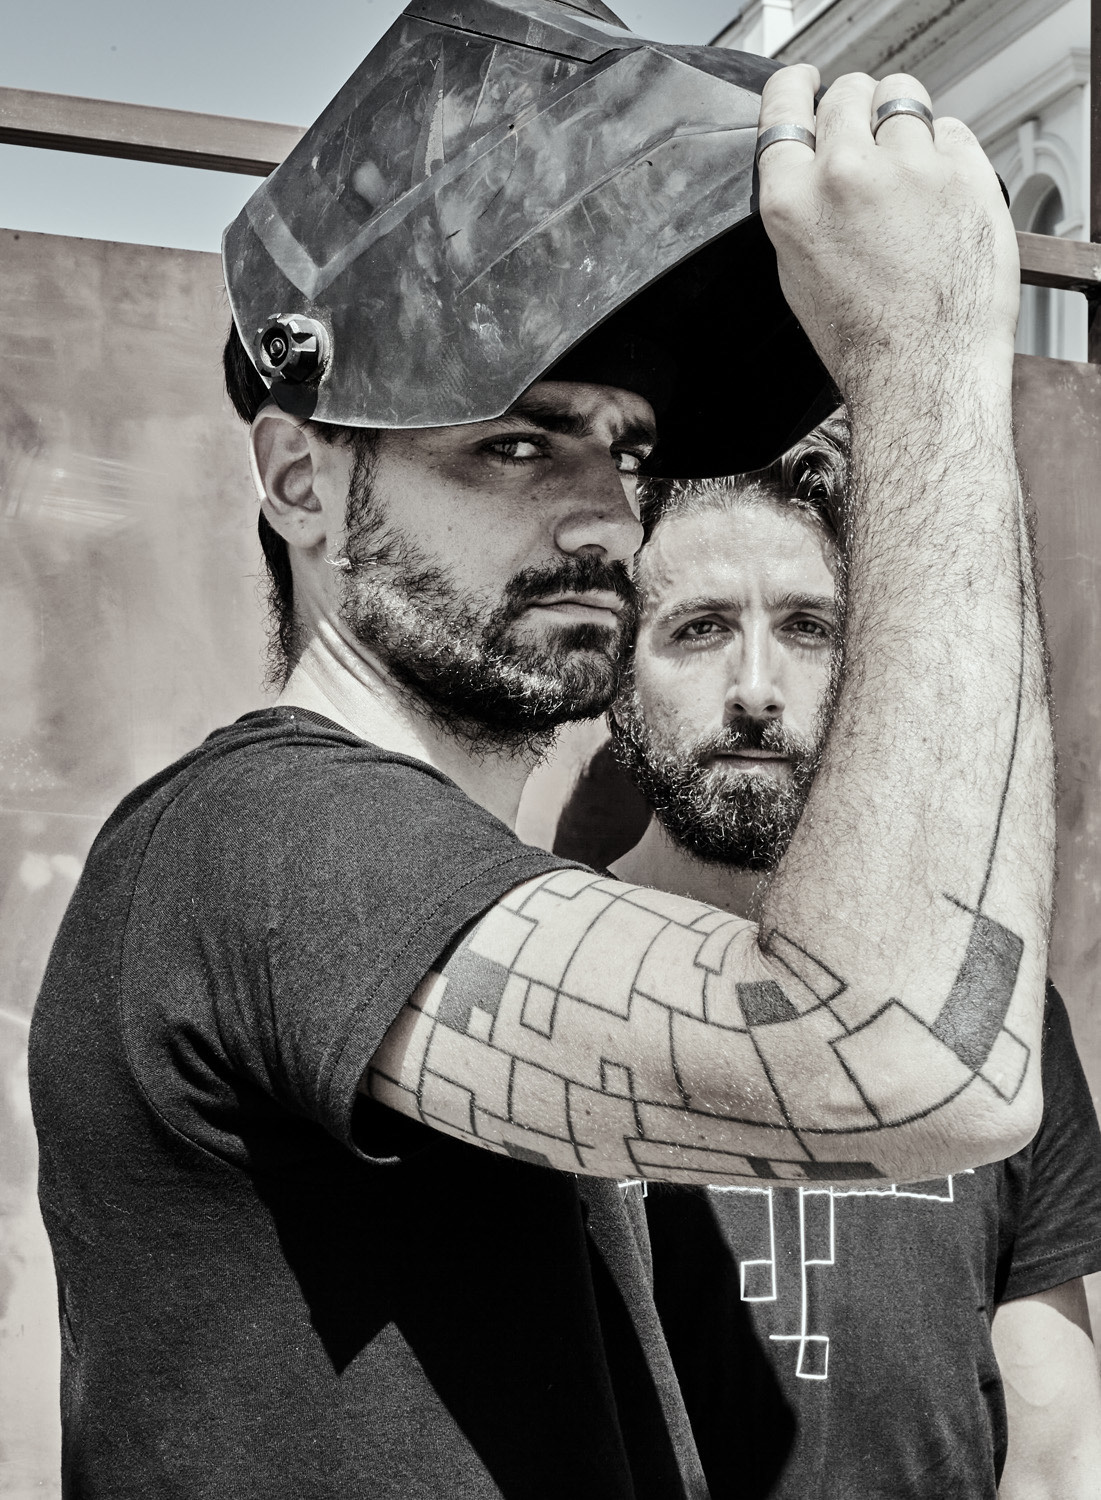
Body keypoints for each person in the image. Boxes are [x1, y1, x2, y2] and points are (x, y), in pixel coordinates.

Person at [28, 2, 1057, 1495]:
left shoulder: (447, 872)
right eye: (515, 441)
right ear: (301, 483)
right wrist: (928, 361)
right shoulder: (260, 837)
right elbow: (913, 1057)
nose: (602, 515)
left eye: (627, 451)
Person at [573, 419, 1101, 1499]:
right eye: (700, 628)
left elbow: (1056, 1453)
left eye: (808, 627)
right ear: (617, 678)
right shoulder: (538, 976)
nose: (755, 689)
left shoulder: (986, 1004)